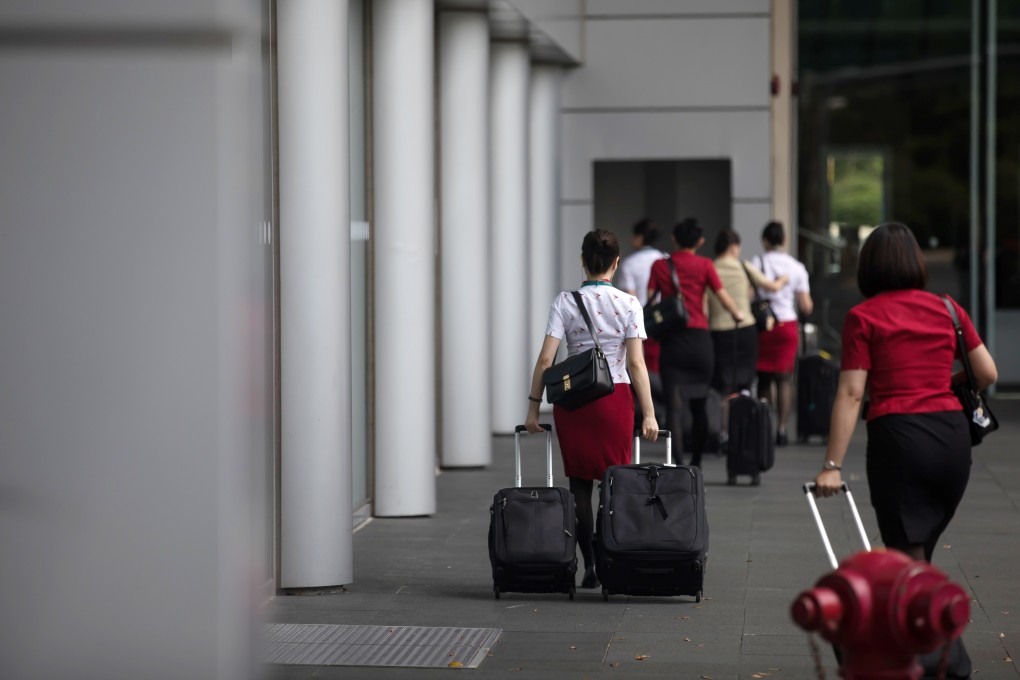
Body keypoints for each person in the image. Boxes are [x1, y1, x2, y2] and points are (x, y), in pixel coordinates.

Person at [813, 222, 997, 565]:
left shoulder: (863, 316)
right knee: (918, 552)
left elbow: (852, 394)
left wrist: (832, 465)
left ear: (869, 266)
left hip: (900, 440)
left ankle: (926, 613)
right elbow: (987, 372)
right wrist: (943, 382)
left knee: (905, 555)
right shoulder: (948, 309)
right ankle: (920, 609)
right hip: (952, 443)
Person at [525, 229, 659, 591]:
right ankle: (610, 552)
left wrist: (534, 409)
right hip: (614, 398)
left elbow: (545, 359)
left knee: (580, 485)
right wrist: (648, 413)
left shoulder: (565, 302)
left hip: (574, 401)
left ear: (582, 260)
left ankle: (590, 563)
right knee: (614, 482)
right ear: (616, 263)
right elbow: (635, 365)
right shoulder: (630, 304)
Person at [647, 218, 745, 468]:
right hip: (700, 343)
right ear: (700, 241)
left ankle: (679, 463)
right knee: (701, 404)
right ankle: (697, 461)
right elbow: (723, 298)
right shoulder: (705, 265)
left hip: (673, 343)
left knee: (674, 408)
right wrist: (738, 315)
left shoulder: (660, 266)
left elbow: (651, 302)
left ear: (674, 239)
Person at [708, 229, 788, 436]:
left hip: (719, 330)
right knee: (745, 383)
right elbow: (772, 286)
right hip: (746, 330)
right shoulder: (744, 266)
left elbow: (704, 305)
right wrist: (784, 278)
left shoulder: (711, 268)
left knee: (724, 385)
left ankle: (723, 432)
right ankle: (747, 431)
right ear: (734, 246)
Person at [754, 220, 813, 446]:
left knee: (764, 378)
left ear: (765, 241)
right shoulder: (796, 267)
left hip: (764, 326)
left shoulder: (757, 262)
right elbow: (806, 306)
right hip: (787, 325)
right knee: (785, 378)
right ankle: (781, 428)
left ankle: (765, 425)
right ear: (785, 239)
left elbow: (750, 295)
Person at [617, 218, 668, 424]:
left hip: (640, 322)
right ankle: (660, 414)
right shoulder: (666, 259)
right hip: (664, 323)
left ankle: (642, 416)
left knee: (638, 366)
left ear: (639, 237)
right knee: (658, 368)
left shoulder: (629, 263)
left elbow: (629, 299)